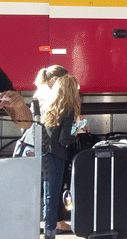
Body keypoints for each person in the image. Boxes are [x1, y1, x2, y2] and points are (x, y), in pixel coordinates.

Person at [41, 75, 82, 239]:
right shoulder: (68, 109)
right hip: (56, 156)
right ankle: (49, 233)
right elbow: (64, 140)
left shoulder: (49, 106)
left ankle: (48, 230)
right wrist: (76, 132)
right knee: (53, 196)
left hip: (44, 155)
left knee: (47, 196)